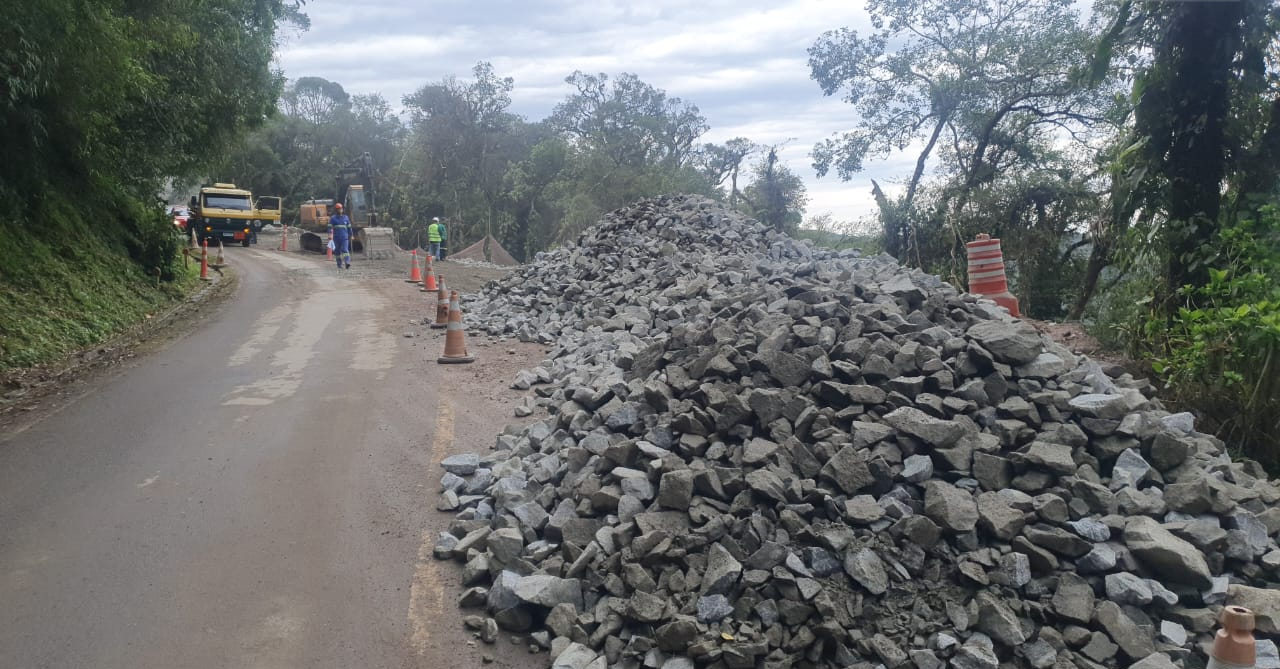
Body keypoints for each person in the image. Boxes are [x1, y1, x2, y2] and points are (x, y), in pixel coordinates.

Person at [329, 203, 352, 270]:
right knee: (337, 251)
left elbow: (349, 227)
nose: (340, 210)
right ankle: (339, 265)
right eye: (339, 209)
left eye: (341, 209)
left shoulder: (346, 217)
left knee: (345, 249)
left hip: (344, 237)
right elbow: (329, 227)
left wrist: (351, 235)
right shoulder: (333, 218)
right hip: (336, 237)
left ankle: (347, 262)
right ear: (336, 210)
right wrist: (330, 234)